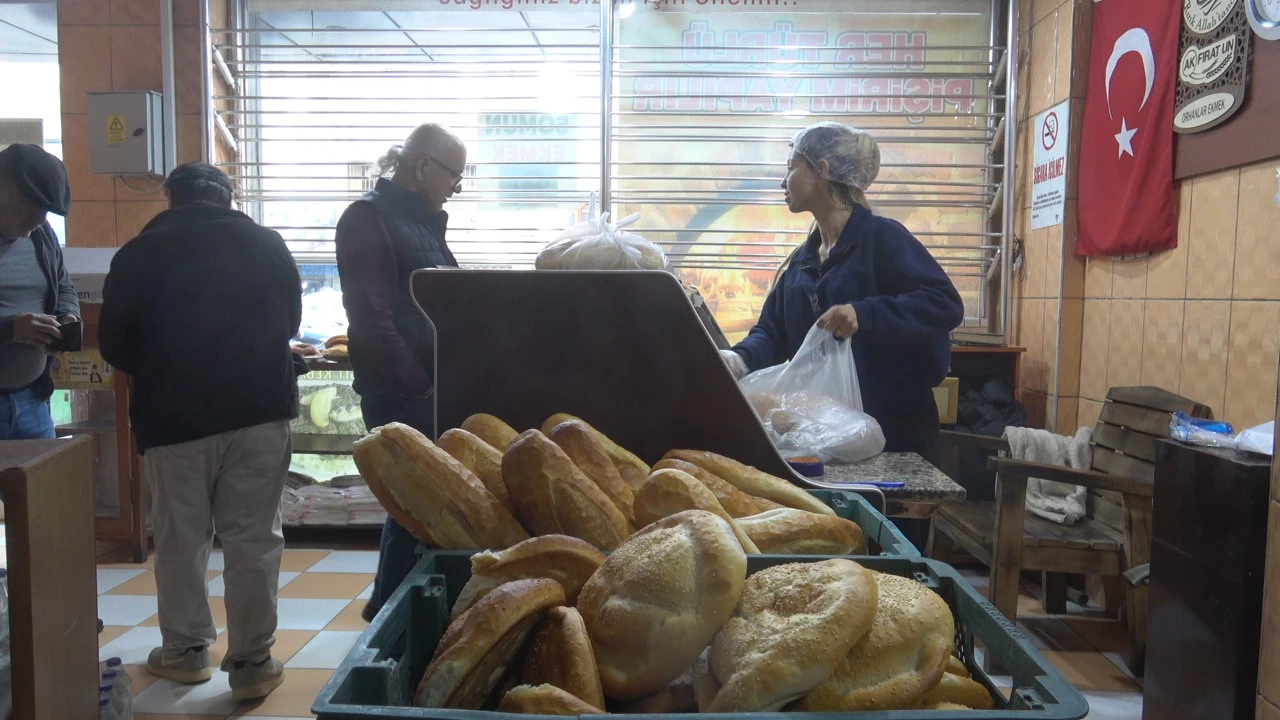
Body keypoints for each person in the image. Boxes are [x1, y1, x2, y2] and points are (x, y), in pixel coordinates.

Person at [99, 162, 302, 701]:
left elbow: (114, 346)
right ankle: (253, 662)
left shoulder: (138, 254)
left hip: (174, 419)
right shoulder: (267, 245)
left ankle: (186, 652)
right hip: (260, 412)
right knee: (254, 538)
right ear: (229, 199)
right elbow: (290, 324)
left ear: (171, 199)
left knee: (180, 538)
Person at [720, 122, 964, 547]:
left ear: (822, 170)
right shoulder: (802, 261)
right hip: (825, 436)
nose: (783, 180)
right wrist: (738, 359)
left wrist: (865, 313)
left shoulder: (882, 239)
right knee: (835, 546)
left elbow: (944, 303)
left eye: (791, 166)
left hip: (894, 433)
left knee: (891, 551)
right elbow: (773, 332)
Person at [335, 123, 467, 621]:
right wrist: (420, 385)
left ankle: (394, 611)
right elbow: (371, 320)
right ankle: (390, 617)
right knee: (413, 504)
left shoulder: (421, 221)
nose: (457, 188)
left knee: (419, 506)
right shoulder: (368, 219)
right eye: (454, 175)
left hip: (427, 389)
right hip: (401, 392)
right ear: (422, 166)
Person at [0, 144, 79, 440]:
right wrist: (10, 329)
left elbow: (64, 286)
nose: (39, 219)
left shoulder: (41, 235)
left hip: (32, 402)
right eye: (32, 204)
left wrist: (68, 315)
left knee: (49, 472)